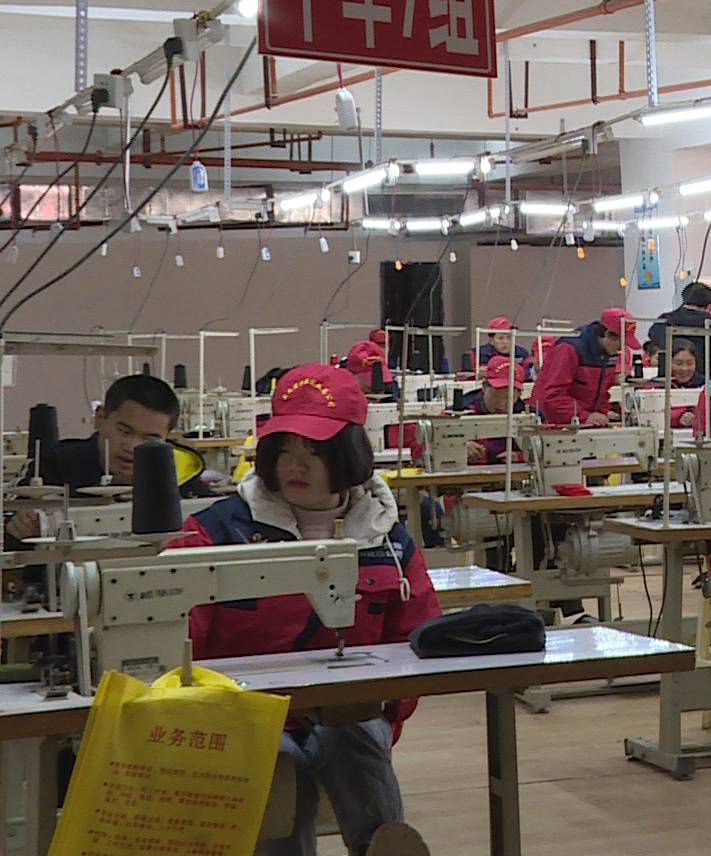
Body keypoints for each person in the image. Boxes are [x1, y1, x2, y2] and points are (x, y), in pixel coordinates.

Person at [168, 363, 439, 856]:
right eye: (284, 449)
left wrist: (385, 716)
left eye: (315, 451)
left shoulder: (388, 540)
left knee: (356, 736)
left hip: (347, 713)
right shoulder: (214, 534)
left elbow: (417, 636)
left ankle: (382, 845)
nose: (296, 465)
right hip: (247, 716)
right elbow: (176, 640)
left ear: (349, 454)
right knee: (277, 766)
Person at [46, 373, 214, 495]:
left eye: (150, 439)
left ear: (166, 438)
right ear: (100, 418)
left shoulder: (183, 477)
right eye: (124, 431)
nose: (132, 447)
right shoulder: (54, 469)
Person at [530, 306, 637, 426]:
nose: (621, 348)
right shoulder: (568, 349)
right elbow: (552, 396)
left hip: (580, 423)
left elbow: (602, 392)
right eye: (621, 342)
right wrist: (585, 416)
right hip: (551, 424)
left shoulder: (607, 353)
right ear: (607, 334)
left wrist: (601, 414)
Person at [647, 280, 711, 379]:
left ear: (684, 298)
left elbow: (653, 338)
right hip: (706, 382)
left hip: (670, 381)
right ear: (709, 304)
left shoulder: (664, 321)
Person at [461, 356, 526, 465]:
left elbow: (546, 450)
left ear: (519, 394)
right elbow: (435, 443)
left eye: (509, 399)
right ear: (484, 387)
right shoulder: (461, 411)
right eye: (496, 397)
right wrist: (459, 447)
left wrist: (521, 457)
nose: (501, 404)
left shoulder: (527, 413)